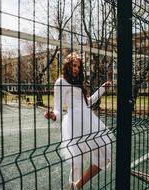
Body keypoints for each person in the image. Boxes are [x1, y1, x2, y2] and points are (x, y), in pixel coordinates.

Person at [44, 52, 113, 190]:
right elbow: (57, 109)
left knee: (105, 156)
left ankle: (75, 186)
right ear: (67, 65)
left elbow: (86, 103)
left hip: (88, 119)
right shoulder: (61, 82)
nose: (76, 69)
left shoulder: (78, 83)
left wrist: (102, 89)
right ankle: (74, 187)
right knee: (77, 163)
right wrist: (53, 115)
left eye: (79, 67)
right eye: (74, 65)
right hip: (75, 122)